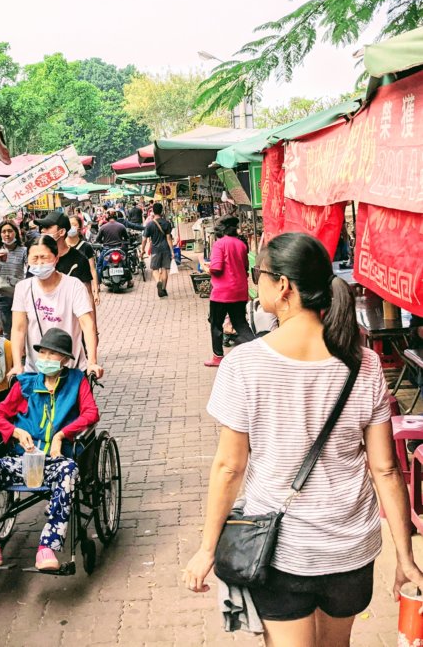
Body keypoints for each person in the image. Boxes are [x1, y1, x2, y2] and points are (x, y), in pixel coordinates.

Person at [183, 232, 423, 647]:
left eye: (260, 275)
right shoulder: (362, 363)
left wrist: (208, 547)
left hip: (282, 550)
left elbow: (229, 467)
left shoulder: (244, 363)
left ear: (283, 286)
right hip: (350, 547)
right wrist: (406, 557)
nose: (255, 283)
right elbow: (385, 468)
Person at [0, 327, 99, 572]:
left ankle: (47, 547)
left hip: (55, 462)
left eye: (52, 354)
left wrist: (62, 435)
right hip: (21, 460)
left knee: (69, 470)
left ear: (64, 359)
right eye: (42, 352)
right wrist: (14, 432)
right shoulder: (25, 384)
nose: (45, 358)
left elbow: (91, 413)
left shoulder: (77, 381)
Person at [10, 235, 103, 379]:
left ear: (56, 258)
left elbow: (87, 324)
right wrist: (17, 365)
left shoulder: (74, 286)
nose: (39, 263)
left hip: (72, 370)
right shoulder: (23, 288)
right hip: (36, 371)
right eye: (34, 258)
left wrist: (92, 362)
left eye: (44, 257)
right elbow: (18, 329)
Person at [202, 215, 253, 367]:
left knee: (216, 324)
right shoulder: (241, 244)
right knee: (240, 324)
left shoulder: (219, 244)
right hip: (239, 291)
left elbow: (216, 268)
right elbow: (244, 267)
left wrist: (207, 267)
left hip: (222, 293)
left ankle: (218, 357)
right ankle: (258, 350)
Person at [0, 221, 27, 340]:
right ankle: (11, 355)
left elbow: (29, 269)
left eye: (10, 231)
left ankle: (22, 353)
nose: (7, 234)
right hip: (2, 295)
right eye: (3, 232)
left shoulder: (23, 250)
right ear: (0, 235)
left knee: (22, 326)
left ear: (16, 233)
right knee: (7, 330)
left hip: (19, 294)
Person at [141, 203, 174, 298]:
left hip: (155, 249)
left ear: (153, 212)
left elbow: (144, 239)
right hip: (166, 249)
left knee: (155, 269)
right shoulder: (166, 223)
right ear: (162, 211)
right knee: (164, 269)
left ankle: (158, 281)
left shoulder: (150, 224)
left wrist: (142, 250)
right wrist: (172, 251)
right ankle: (163, 289)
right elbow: (169, 238)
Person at [67, 215, 100, 308]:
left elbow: (92, 269)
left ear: (80, 228)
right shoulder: (61, 247)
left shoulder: (86, 247)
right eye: (68, 225)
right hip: (66, 292)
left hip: (84, 290)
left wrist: (96, 291)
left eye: (74, 224)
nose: (71, 227)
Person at [95, 210, 129, 281]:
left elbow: (97, 239)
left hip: (106, 250)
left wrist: (102, 241)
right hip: (119, 249)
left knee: (99, 265)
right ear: (116, 217)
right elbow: (126, 238)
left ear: (107, 218)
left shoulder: (103, 227)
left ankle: (98, 285)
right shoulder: (121, 226)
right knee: (126, 263)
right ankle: (129, 281)